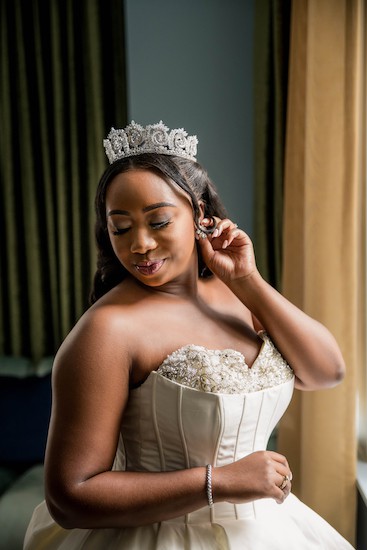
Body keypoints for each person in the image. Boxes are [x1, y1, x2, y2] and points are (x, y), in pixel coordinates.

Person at [24, 121, 354, 549]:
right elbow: (71, 497)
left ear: (199, 214)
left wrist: (249, 281)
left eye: (158, 221)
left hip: (269, 530)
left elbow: (326, 372)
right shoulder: (107, 331)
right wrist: (220, 482)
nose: (139, 244)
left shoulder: (240, 296)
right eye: (120, 228)